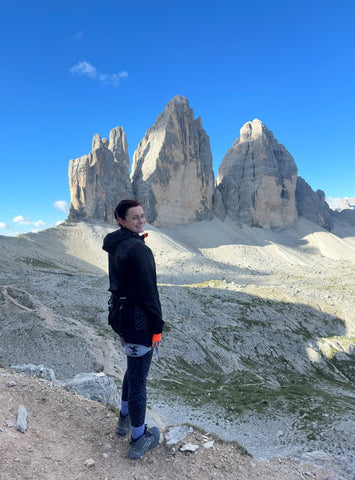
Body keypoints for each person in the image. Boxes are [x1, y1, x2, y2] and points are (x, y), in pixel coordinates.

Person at [102, 199, 164, 459]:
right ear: (121, 221)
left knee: (133, 368)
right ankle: (139, 438)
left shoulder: (115, 243)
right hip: (138, 322)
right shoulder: (138, 249)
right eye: (134, 218)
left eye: (142, 216)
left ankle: (123, 420)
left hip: (120, 316)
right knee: (139, 380)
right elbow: (150, 291)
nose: (140, 220)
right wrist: (157, 327)